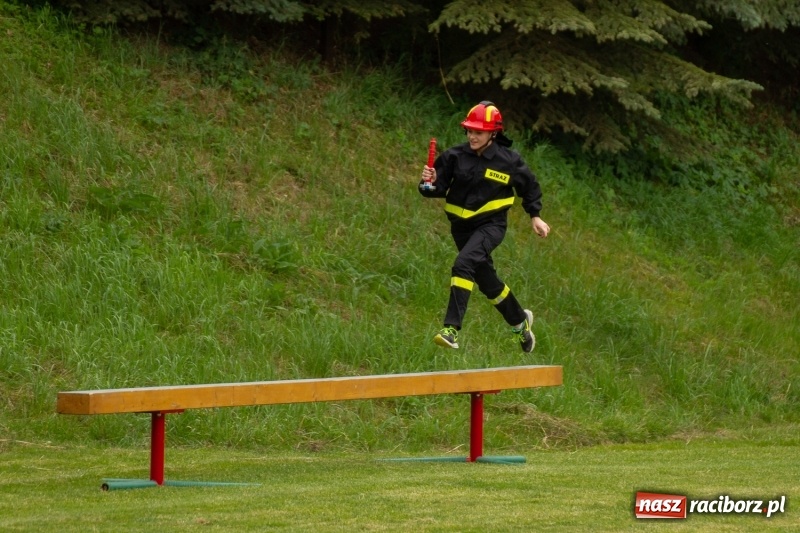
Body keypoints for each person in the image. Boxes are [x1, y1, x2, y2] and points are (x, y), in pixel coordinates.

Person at [418, 101, 550, 352]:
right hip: (461, 229)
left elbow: (529, 186)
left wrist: (535, 215)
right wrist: (428, 182)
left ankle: (451, 330)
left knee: (462, 264)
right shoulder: (454, 156)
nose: (472, 136)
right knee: (488, 282)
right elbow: (434, 190)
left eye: (478, 132)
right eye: (469, 130)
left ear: (493, 133)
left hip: (491, 226)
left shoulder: (508, 161)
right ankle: (520, 323)